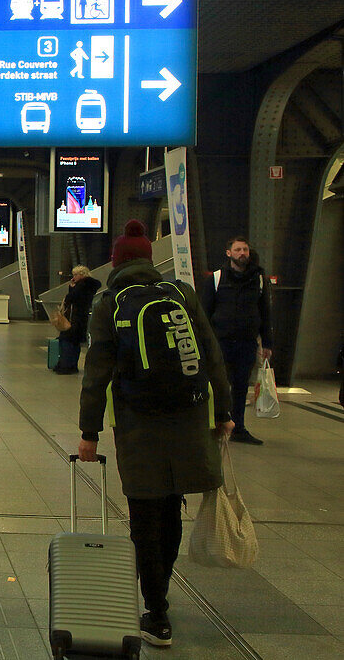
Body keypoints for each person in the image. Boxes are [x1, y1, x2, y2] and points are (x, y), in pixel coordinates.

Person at [78, 219, 233, 649]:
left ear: (117, 262)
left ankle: (157, 612)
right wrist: (224, 411)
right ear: (149, 259)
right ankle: (159, 595)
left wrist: (88, 431)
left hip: (138, 422)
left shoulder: (109, 301)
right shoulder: (181, 294)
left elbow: (97, 372)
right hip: (188, 418)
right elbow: (212, 354)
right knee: (170, 509)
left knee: (144, 517)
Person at [200, 236, 273, 445]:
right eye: (238, 250)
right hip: (220, 343)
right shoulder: (216, 278)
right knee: (218, 385)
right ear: (228, 253)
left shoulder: (258, 280)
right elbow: (204, 313)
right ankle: (216, 424)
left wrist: (267, 342)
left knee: (241, 386)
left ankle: (238, 427)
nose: (243, 253)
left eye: (245, 250)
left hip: (246, 343)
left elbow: (265, 312)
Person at [54, 265, 102, 374]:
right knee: (75, 342)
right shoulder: (90, 285)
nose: (73, 277)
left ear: (82, 275)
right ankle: (72, 365)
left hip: (74, 318)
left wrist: (71, 287)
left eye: (75, 274)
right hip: (81, 318)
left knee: (67, 340)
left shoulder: (82, 286)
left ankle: (66, 366)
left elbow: (71, 298)